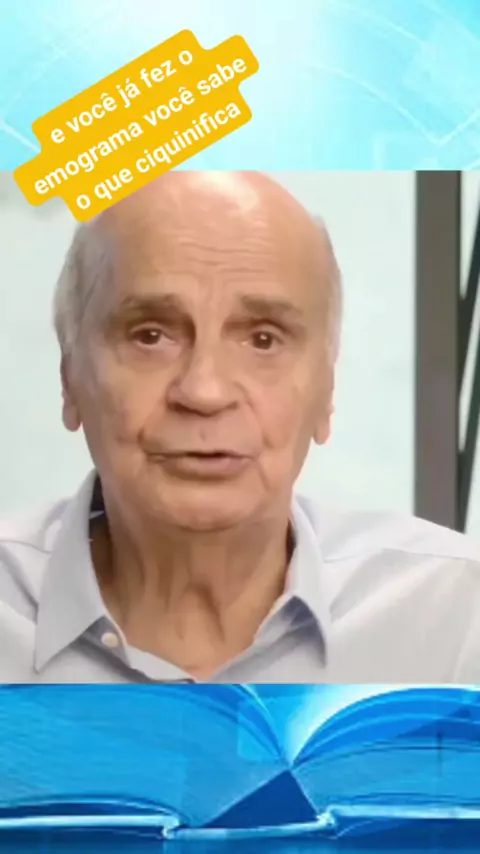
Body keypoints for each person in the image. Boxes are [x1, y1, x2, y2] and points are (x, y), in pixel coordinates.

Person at [1, 170, 479, 684]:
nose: (204, 391)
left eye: (263, 340)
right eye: (150, 335)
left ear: (327, 391)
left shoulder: (457, 616)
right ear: (70, 378)